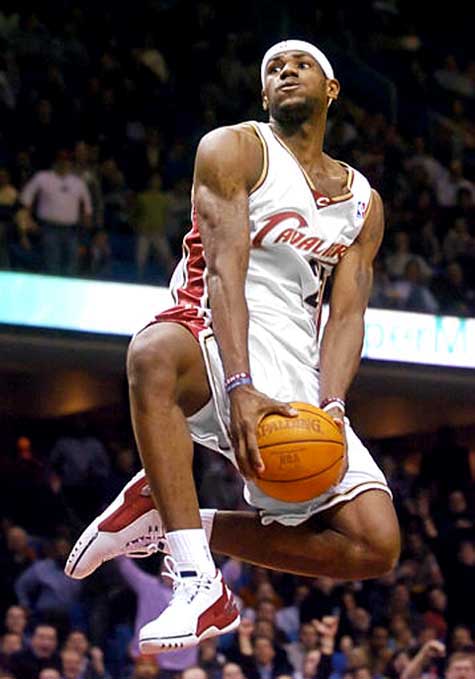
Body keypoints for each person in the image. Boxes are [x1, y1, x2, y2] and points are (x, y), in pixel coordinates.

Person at [66, 39, 400, 651]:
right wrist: (241, 385)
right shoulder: (235, 148)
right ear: (263, 92)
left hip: (295, 361)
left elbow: (348, 316)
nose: (285, 71)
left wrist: (332, 405)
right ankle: (197, 583)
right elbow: (224, 269)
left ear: (332, 91)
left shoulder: (362, 204)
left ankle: (170, 520)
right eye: (274, 67)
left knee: (373, 545)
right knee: (152, 355)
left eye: (302, 64)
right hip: (216, 329)